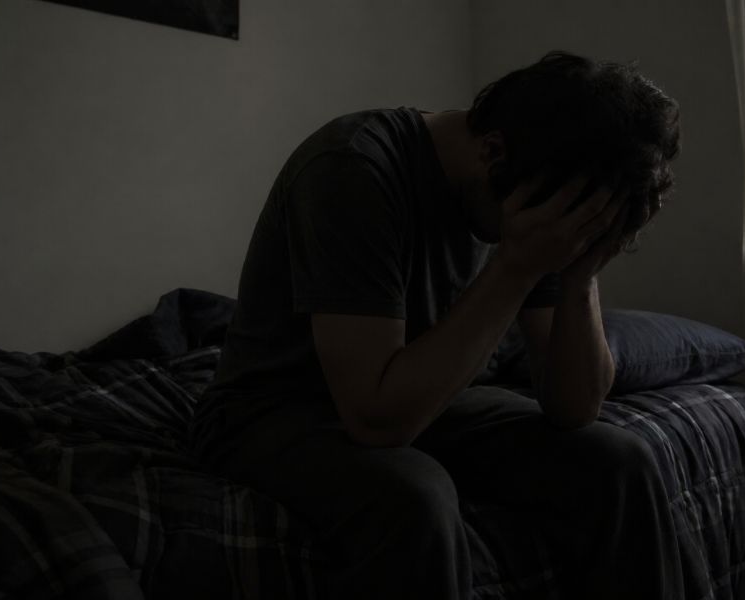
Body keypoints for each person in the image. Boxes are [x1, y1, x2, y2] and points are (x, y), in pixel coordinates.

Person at [189, 51, 682, 599]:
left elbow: (575, 406)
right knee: (416, 499)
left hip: (422, 399)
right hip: (271, 409)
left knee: (620, 461)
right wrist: (516, 265)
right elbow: (376, 422)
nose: (570, 238)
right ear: (493, 151)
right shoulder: (351, 168)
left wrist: (580, 272)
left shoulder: (541, 198)